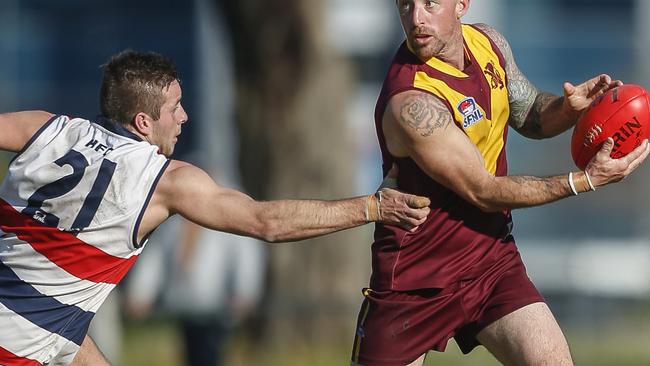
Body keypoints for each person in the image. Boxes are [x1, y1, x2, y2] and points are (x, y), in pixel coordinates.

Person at [0, 50, 432, 366]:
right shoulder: (165, 182)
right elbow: (266, 222)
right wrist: (373, 207)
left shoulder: (45, 127)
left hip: (34, 329)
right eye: (175, 108)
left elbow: (56, 319)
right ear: (144, 122)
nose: (185, 116)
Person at [350, 1, 650, 365]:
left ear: (461, 4)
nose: (416, 19)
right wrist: (582, 181)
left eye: (430, 4)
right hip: (416, 282)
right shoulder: (411, 104)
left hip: (490, 261)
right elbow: (484, 191)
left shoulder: (489, 43)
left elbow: (531, 115)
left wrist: (569, 110)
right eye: (405, 5)